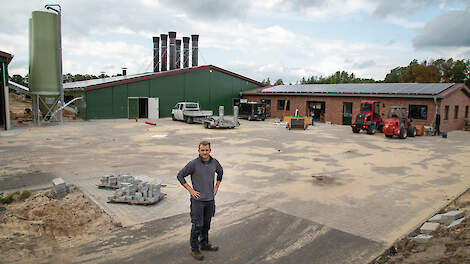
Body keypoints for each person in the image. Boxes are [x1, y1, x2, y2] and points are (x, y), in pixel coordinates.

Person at [177, 140, 223, 261]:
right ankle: (194, 249)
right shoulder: (193, 164)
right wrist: (190, 190)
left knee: (206, 225)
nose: (204, 152)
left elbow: (220, 172)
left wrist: (216, 186)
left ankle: (204, 244)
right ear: (198, 151)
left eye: (206, 150)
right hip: (198, 201)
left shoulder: (215, 162)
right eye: (202, 150)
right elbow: (180, 175)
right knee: (197, 225)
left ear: (210, 150)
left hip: (210, 200)